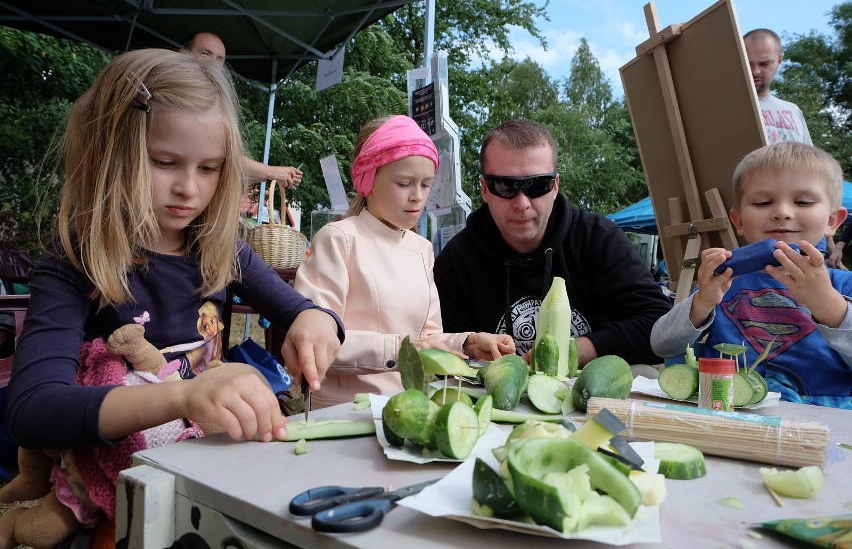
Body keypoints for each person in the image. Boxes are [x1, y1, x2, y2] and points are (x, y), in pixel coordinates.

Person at [5, 49, 343, 541]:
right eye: (164, 162)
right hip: (111, 492)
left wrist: (317, 322)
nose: (188, 188)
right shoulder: (75, 259)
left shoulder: (222, 249)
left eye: (209, 168)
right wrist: (182, 393)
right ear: (109, 152)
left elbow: (306, 312)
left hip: (208, 474)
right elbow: (32, 411)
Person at [294, 115, 515, 408]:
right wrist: (403, 350)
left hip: (408, 406)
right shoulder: (338, 239)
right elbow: (315, 341)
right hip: (344, 409)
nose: (417, 197)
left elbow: (429, 337)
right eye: (404, 183)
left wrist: (467, 343)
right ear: (367, 180)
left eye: (426, 185)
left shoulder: (421, 249)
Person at [433, 119, 672, 367]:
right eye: (505, 186)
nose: (522, 203)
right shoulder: (456, 261)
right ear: (484, 189)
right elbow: (437, 344)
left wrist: (573, 352)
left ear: (555, 186)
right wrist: (468, 344)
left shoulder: (597, 239)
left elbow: (660, 326)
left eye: (537, 185)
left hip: (589, 394)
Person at [650, 142, 852, 408]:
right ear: (739, 221)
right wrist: (702, 303)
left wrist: (828, 304)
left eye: (802, 201)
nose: (782, 212)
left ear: (832, 221)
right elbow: (661, 345)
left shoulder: (843, 286)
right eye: (763, 202)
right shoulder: (725, 282)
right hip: (729, 411)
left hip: (823, 419)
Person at [185, 31, 304, 188]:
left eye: (220, 59)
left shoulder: (218, 104)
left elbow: (225, 164)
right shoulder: (174, 98)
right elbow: (223, 158)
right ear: (184, 53)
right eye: (205, 53)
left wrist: (271, 174)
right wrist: (271, 171)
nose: (213, 62)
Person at [744, 28, 812, 146]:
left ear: (779, 60)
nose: (755, 72)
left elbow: (809, 161)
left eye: (764, 63)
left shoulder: (793, 111)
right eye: (748, 63)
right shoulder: (724, 108)